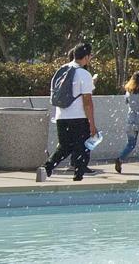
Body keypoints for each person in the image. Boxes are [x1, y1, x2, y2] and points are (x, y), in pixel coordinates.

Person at [42, 42, 98, 181]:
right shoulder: (84, 74)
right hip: (79, 117)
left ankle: (46, 168)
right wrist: (92, 124)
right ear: (86, 57)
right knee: (83, 147)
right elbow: (87, 102)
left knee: (64, 147)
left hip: (61, 115)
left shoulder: (61, 69)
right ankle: (78, 176)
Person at [115, 71, 139, 174]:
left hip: (130, 120)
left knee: (131, 144)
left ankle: (120, 158)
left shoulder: (128, 91)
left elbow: (127, 102)